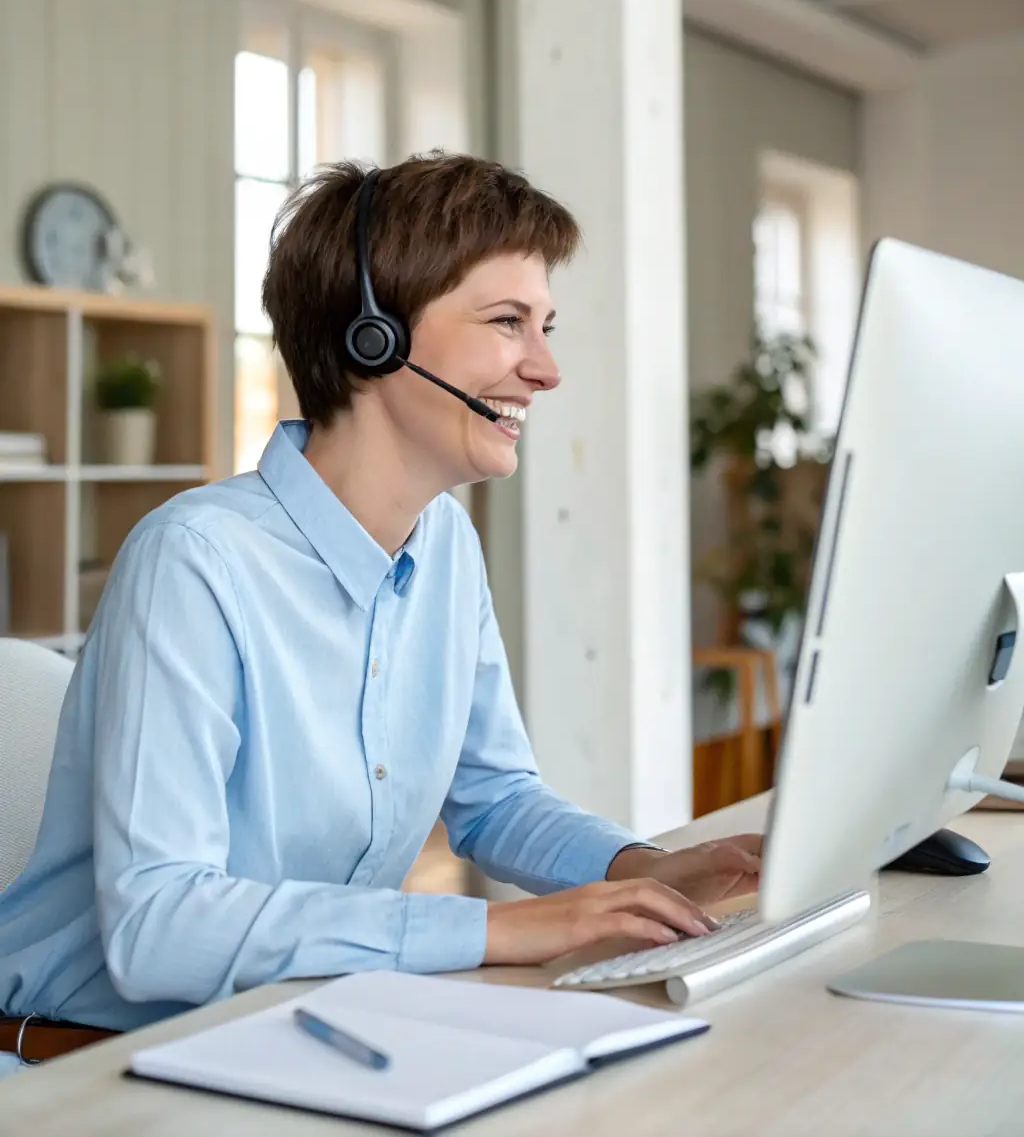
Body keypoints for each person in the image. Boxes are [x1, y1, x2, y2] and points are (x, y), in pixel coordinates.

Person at [0, 154, 759, 1067]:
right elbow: (160, 921)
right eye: (508, 322)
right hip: (88, 1063)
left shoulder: (445, 548)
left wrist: (641, 871)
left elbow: (497, 800)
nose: (546, 368)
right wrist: (494, 929)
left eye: (545, 325)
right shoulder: (195, 562)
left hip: (287, 1032)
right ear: (374, 337)